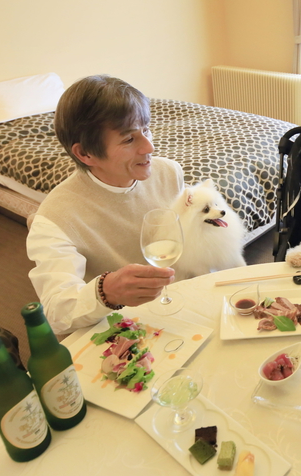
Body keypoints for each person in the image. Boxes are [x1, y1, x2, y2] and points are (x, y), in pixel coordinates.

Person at [27, 75, 184, 335]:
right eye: (128, 140)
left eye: (145, 129)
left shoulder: (169, 173)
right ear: (85, 154)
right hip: (128, 328)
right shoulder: (55, 219)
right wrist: (105, 291)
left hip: (182, 302)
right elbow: (56, 312)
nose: (150, 147)